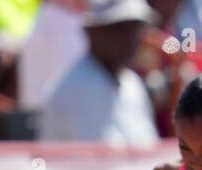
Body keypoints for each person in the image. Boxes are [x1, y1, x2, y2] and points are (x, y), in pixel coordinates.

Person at [38, 0, 160, 145]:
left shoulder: (132, 83)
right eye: (119, 28)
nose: (129, 38)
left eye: (135, 27)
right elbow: (100, 162)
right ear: (92, 31)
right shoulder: (76, 87)